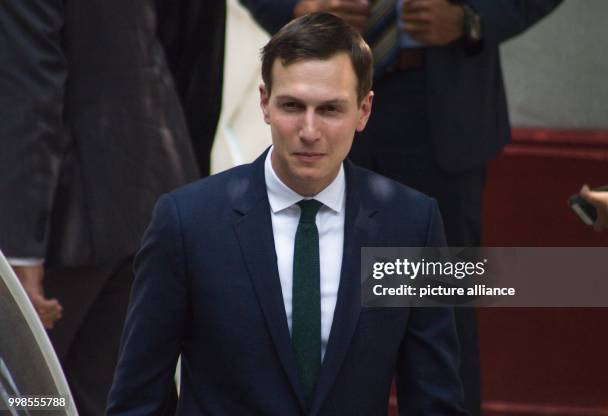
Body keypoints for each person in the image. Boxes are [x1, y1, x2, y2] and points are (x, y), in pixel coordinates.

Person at [107, 13, 467, 415]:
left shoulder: (413, 225)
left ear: (364, 110)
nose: (309, 130)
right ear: (265, 103)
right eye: (293, 106)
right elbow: (137, 399)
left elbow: (435, 398)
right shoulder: (186, 222)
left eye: (330, 109)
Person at [238, 0, 563, 413]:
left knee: (442, 308)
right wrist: (297, 8)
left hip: (438, 111)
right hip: (326, 101)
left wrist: (473, 20)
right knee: (316, 294)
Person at [0, 0, 224, 414]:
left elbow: (27, 83)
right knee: (105, 398)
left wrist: (19, 248)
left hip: (61, 229)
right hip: (147, 193)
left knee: (30, 399)